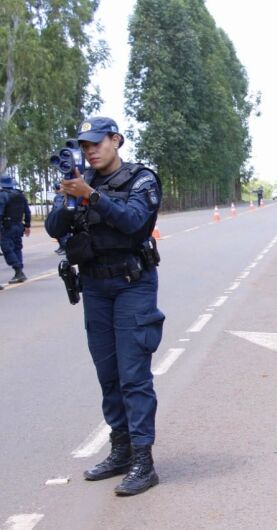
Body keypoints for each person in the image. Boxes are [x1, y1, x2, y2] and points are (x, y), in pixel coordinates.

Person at [45, 116, 165, 496]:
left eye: (97, 142)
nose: (90, 150)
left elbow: (135, 222)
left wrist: (90, 196)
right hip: (95, 286)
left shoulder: (141, 178)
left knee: (133, 375)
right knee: (108, 373)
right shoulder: (80, 180)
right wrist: (69, 198)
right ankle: (121, 451)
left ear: (116, 140)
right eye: (84, 145)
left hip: (132, 284)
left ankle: (144, 462)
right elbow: (52, 228)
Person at [0, 174, 32, 284]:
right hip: (19, 225)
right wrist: (27, 225)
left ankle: (18, 271)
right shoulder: (20, 194)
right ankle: (19, 271)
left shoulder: (2, 195)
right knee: (17, 248)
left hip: (7, 226)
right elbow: (27, 211)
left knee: (7, 248)